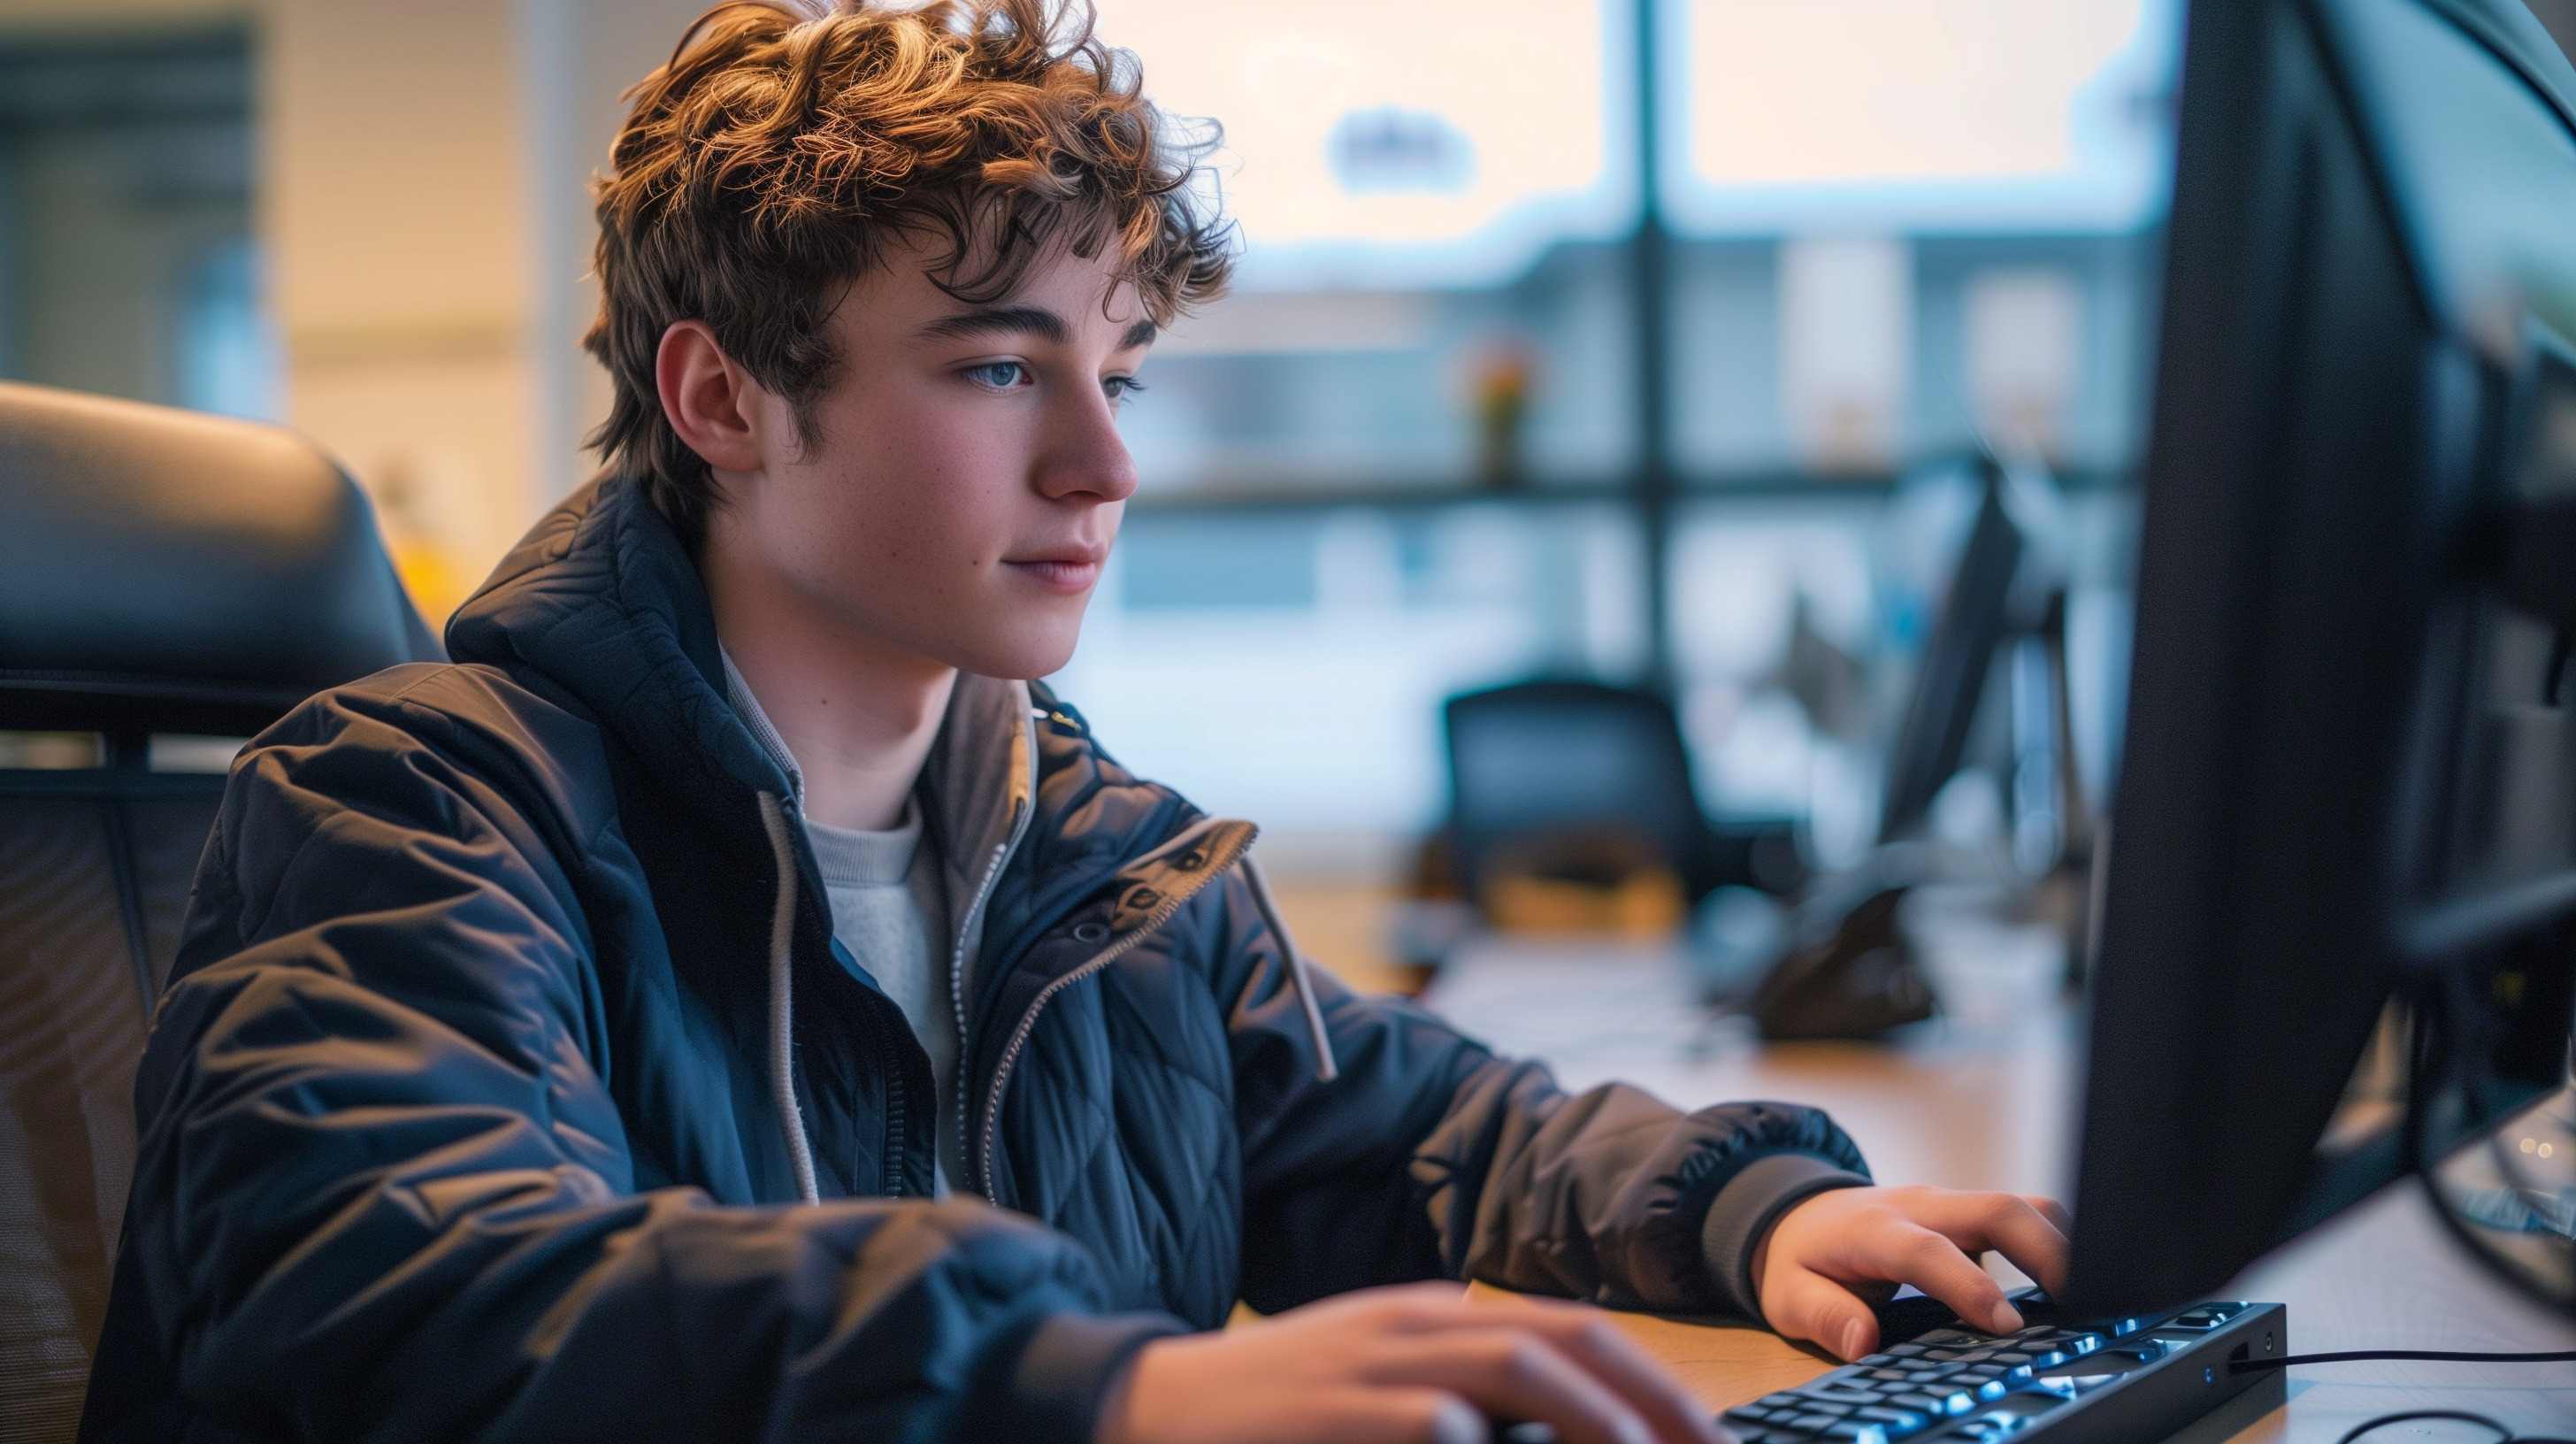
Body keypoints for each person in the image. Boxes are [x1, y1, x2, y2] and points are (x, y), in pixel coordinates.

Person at [79, 3, 2071, 1440]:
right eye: (1000, 370)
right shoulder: (420, 812)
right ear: (722, 403)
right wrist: (1089, 1378)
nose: (1106, 460)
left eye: (1115, 364)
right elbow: (415, 1300)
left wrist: (1752, 1207)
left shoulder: (1092, 859)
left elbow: (1422, 1132)